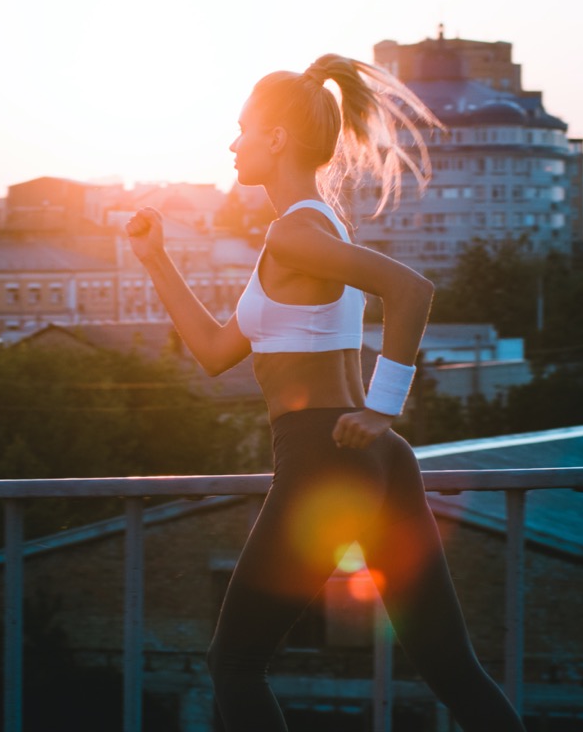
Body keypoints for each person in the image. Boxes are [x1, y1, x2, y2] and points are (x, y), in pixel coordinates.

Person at [126, 54, 526, 732]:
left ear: (276, 138)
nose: (232, 144)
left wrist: (381, 406)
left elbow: (410, 290)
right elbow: (217, 352)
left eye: (243, 129)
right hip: (375, 460)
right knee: (450, 668)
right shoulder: (309, 229)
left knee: (234, 663)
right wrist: (155, 259)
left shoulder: (294, 231)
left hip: (322, 457)